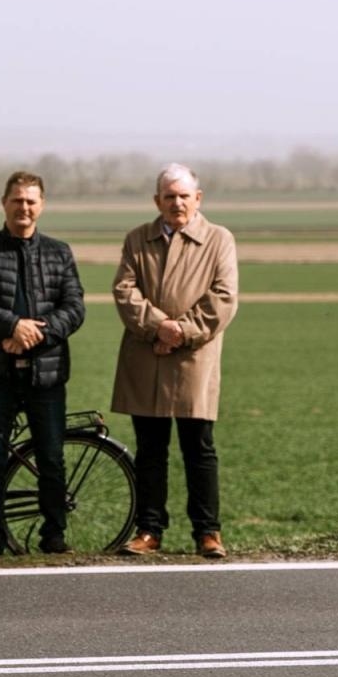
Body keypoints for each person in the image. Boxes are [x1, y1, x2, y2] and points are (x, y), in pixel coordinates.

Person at [111, 163, 239, 559]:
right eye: (169, 196)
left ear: (198, 199)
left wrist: (181, 331)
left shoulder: (219, 240)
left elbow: (223, 298)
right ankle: (149, 530)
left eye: (184, 196)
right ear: (157, 201)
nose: (177, 203)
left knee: (199, 447)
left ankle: (207, 531)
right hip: (146, 357)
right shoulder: (137, 239)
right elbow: (124, 291)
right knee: (150, 449)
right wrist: (158, 327)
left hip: (194, 359)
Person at [0, 171, 85, 556]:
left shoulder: (59, 252)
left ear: (41, 205)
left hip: (47, 372)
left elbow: (75, 307)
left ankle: (54, 534)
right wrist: (12, 325)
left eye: (31, 201)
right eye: (17, 200)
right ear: (4, 204)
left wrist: (36, 334)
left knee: (51, 455)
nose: (24, 208)